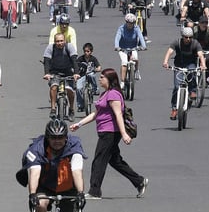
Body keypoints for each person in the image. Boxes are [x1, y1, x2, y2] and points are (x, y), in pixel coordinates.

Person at [70, 68, 149, 200]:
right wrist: (79, 124)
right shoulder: (105, 94)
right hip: (104, 132)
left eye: (102, 77)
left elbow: (118, 114)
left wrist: (124, 134)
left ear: (110, 80)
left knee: (99, 160)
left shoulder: (113, 94)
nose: (99, 79)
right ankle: (139, 181)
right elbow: (96, 114)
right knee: (115, 161)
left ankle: (95, 191)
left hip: (111, 132)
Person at [162, 26, 206, 120]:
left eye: (190, 37)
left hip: (190, 64)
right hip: (179, 66)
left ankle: (193, 91)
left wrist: (203, 65)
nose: (188, 39)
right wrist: (165, 62)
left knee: (192, 72)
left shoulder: (195, 43)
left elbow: (200, 55)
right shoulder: (177, 42)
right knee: (177, 87)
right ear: (182, 36)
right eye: (186, 37)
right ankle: (174, 109)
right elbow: (170, 51)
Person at [43, 33, 80, 121]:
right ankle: (53, 108)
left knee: (70, 90)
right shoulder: (50, 48)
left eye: (61, 41)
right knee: (54, 87)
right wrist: (47, 73)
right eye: (57, 41)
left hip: (68, 72)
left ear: (65, 41)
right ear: (54, 42)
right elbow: (47, 61)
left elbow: (74, 60)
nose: (59, 43)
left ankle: (71, 109)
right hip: (55, 72)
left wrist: (76, 73)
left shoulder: (69, 47)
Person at [114, 13, 147, 87]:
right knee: (124, 62)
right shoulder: (121, 28)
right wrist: (117, 46)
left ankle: (136, 71)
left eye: (132, 23)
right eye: (129, 23)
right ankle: (122, 82)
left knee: (135, 58)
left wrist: (143, 46)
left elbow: (141, 37)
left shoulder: (136, 28)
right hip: (123, 48)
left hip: (133, 48)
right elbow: (117, 38)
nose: (130, 25)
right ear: (126, 22)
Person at [76, 43, 101, 112]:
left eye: (88, 51)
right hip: (82, 75)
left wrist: (97, 69)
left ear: (91, 52)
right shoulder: (80, 59)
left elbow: (99, 67)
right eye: (85, 51)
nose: (86, 53)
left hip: (90, 73)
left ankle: (94, 89)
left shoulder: (93, 59)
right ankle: (80, 105)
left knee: (91, 75)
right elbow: (76, 66)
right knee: (78, 88)